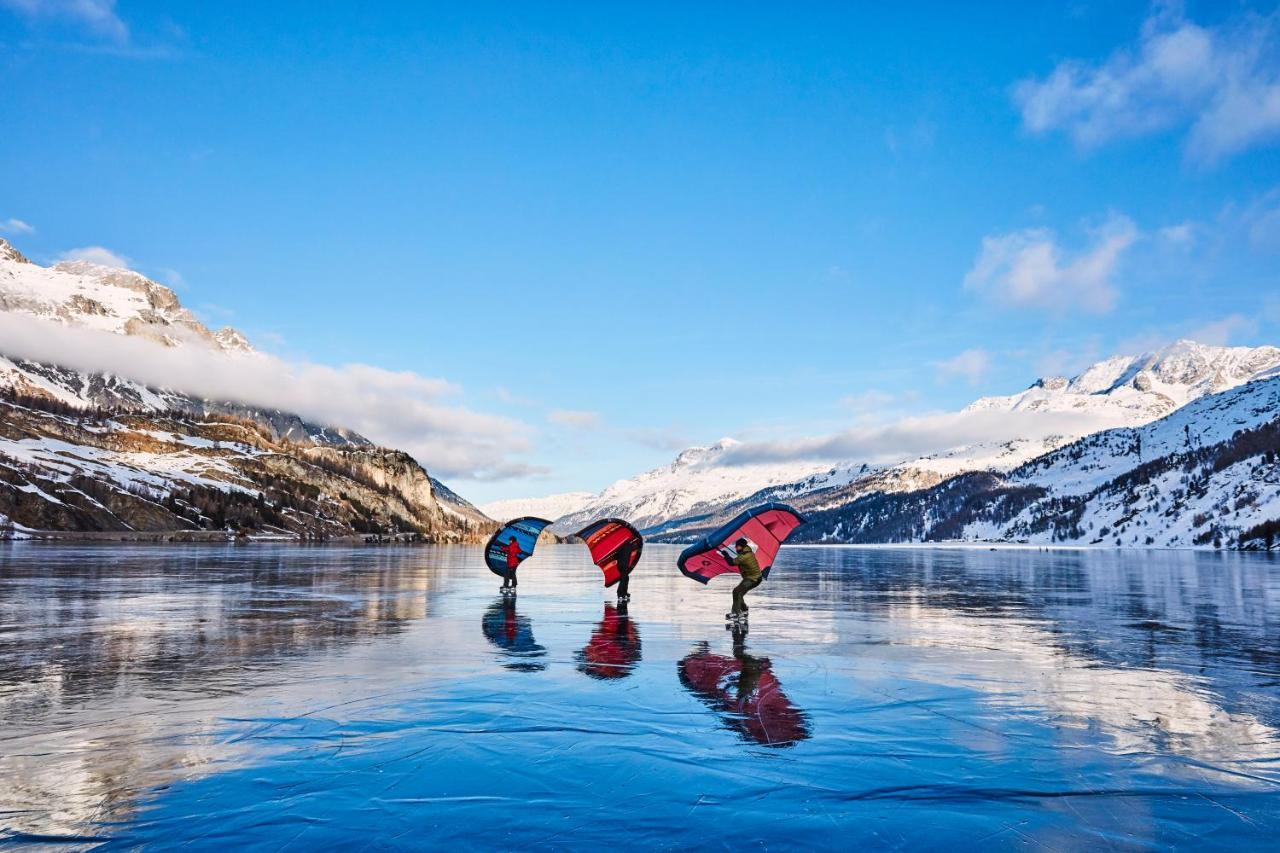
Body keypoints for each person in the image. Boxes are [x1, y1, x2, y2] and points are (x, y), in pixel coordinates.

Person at [720, 538, 762, 620]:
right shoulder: (746, 552)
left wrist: (726, 555)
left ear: (742, 546)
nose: (736, 548)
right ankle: (744, 610)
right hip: (753, 578)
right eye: (736, 546)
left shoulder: (745, 556)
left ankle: (735, 613)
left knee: (736, 591)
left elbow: (731, 562)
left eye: (737, 547)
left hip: (753, 579)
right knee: (739, 593)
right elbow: (737, 559)